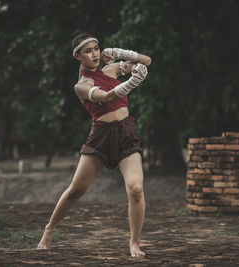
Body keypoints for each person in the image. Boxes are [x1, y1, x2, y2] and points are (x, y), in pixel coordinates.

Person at [36, 32, 152, 258]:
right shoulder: (81, 85)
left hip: (126, 133)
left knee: (136, 189)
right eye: (88, 51)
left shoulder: (112, 69)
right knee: (75, 190)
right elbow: (107, 97)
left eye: (96, 48)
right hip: (100, 137)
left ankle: (134, 243)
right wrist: (132, 82)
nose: (94, 54)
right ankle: (49, 230)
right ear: (78, 56)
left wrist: (123, 54)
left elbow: (147, 61)